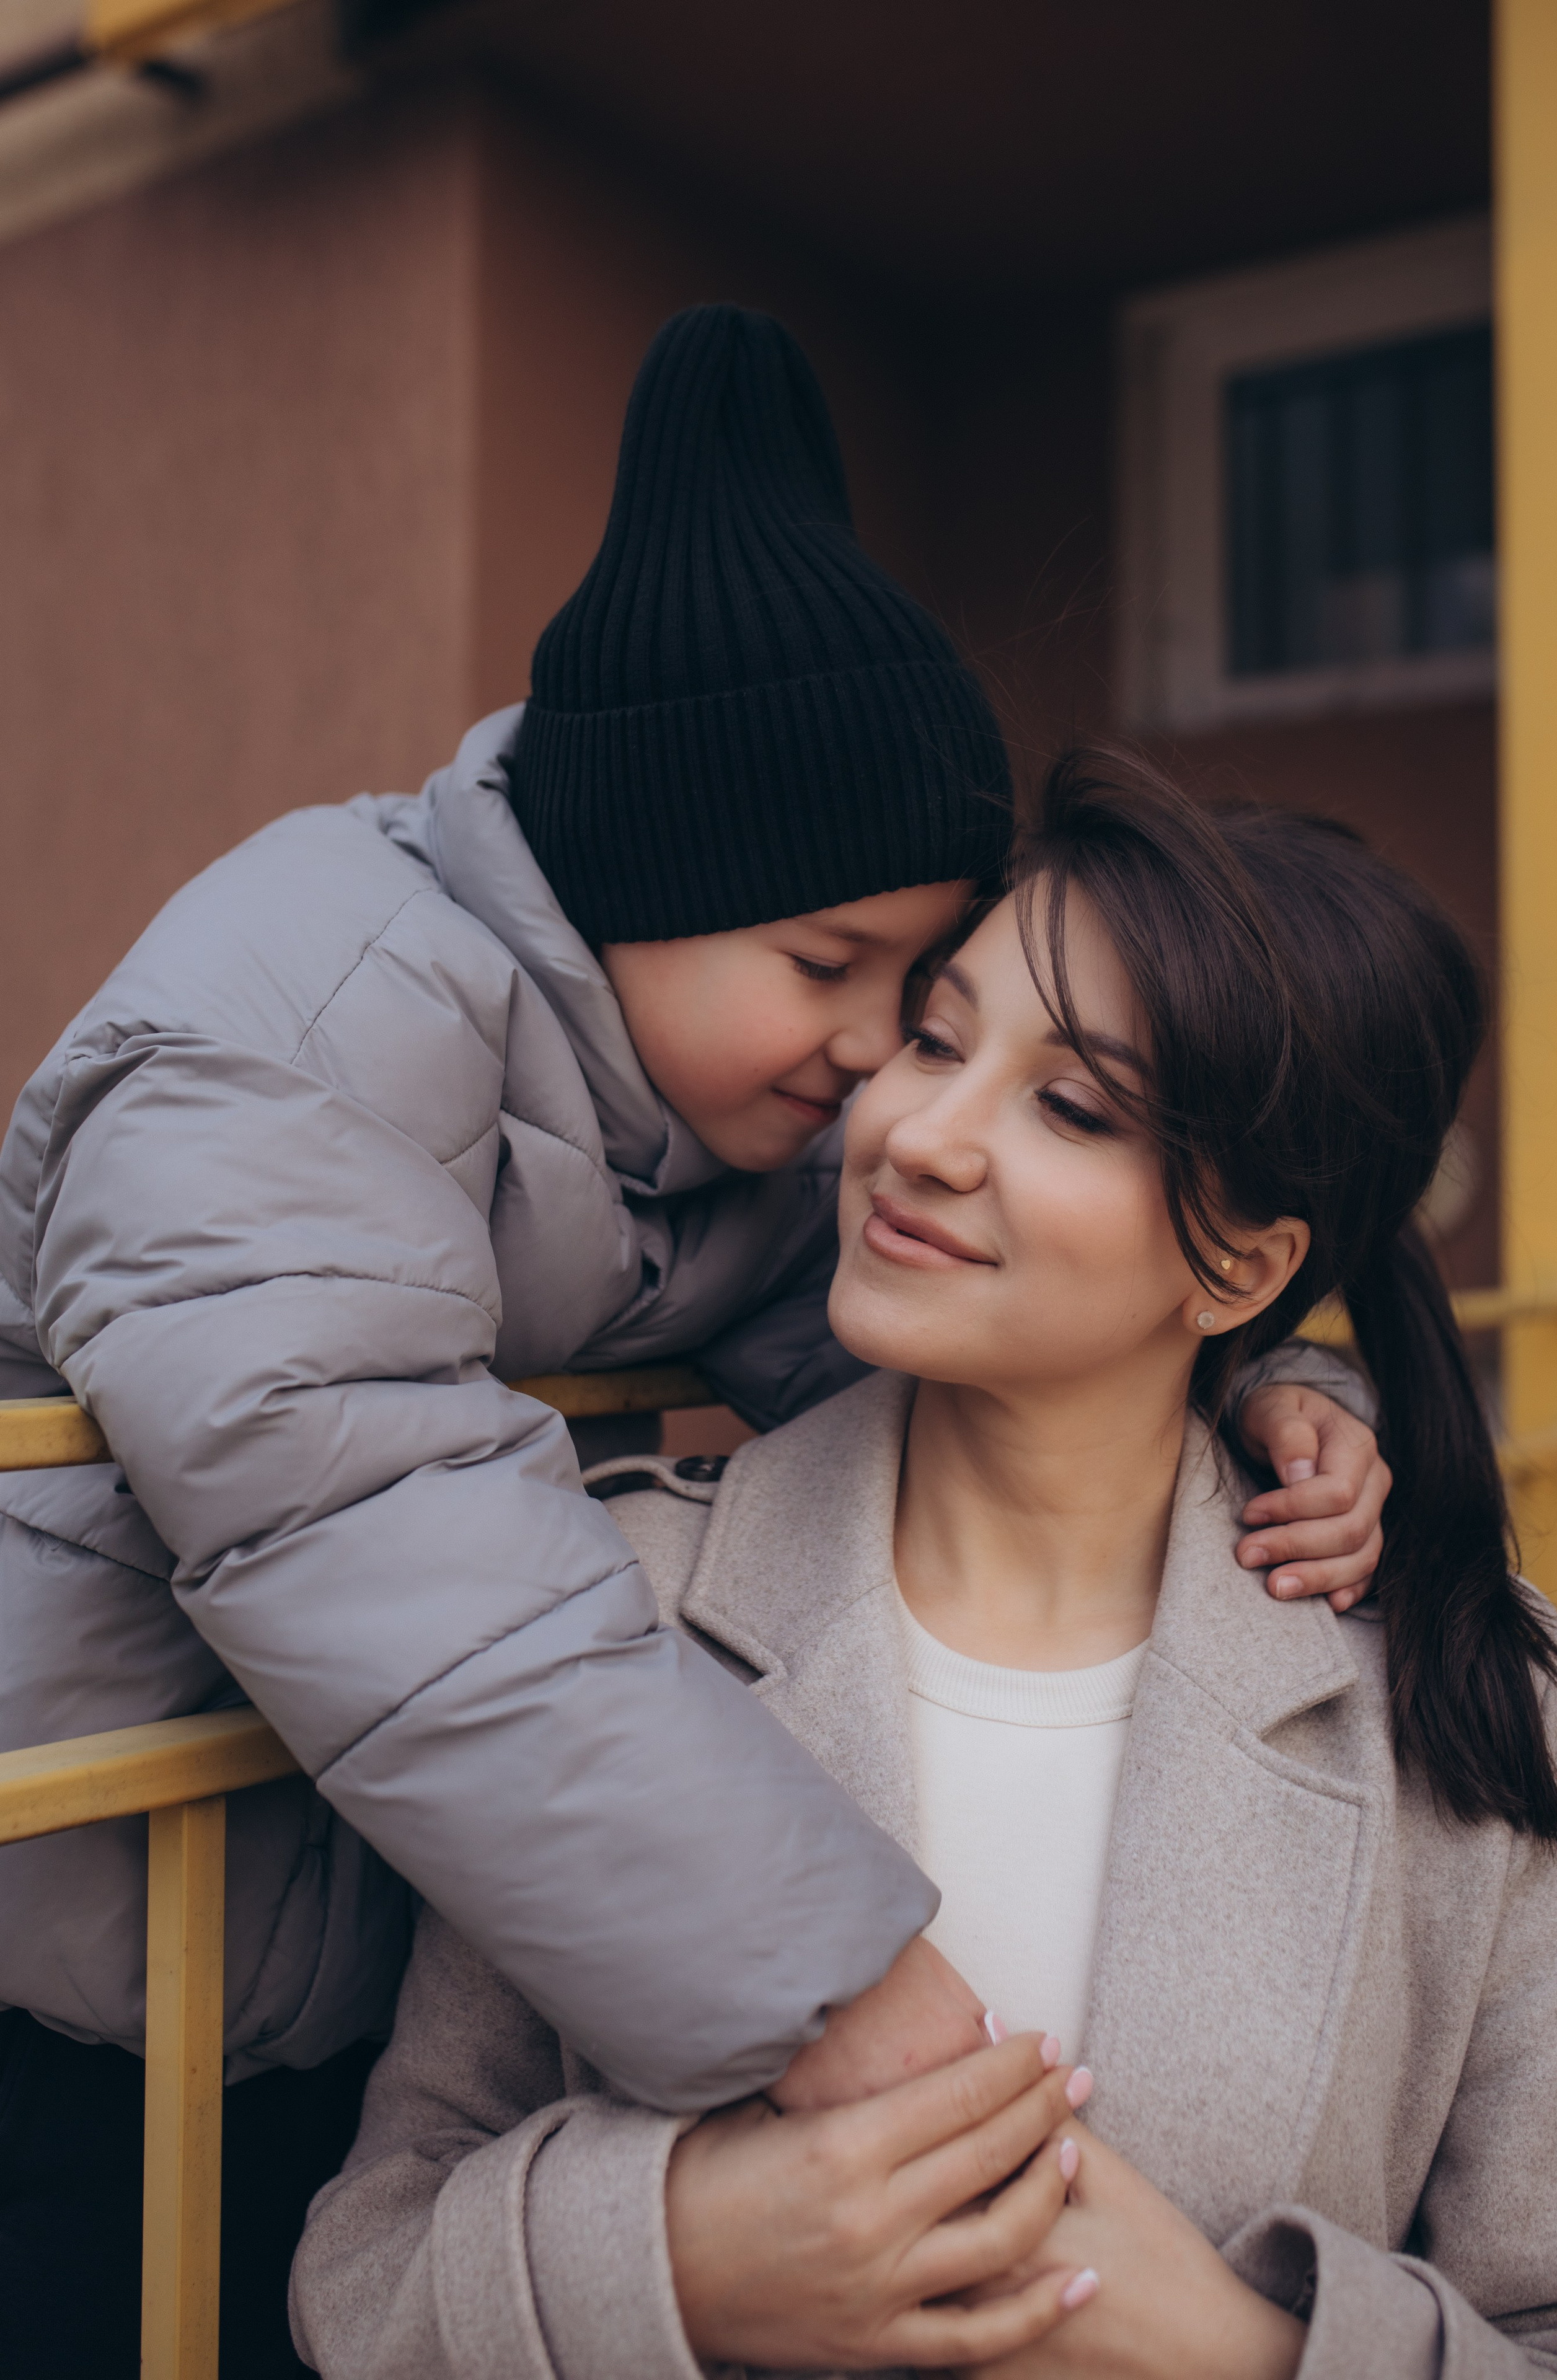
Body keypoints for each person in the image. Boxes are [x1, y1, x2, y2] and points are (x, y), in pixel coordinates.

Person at [0, 311, 1380, 2378]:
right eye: (833, 964)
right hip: (86, 1960)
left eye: (923, 976)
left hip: (360, 1937)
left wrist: (1276, 1393)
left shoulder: (708, 1105)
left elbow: (958, 1379)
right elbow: (378, 1533)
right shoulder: (285, 1032)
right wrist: (836, 1998)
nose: (880, 1057)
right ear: (626, 880)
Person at [289, 754, 1557, 2380]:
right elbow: (368, 2265)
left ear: (1242, 1261)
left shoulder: (1462, 1705)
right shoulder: (614, 1605)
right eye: (937, 1036)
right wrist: (675, 2258)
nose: (919, 1136)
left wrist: (1249, 2357)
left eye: (1072, 1105)